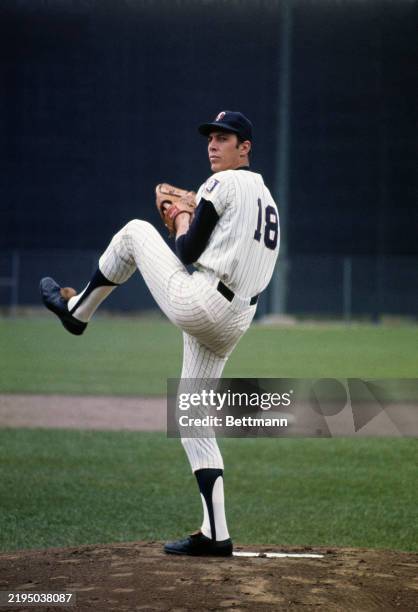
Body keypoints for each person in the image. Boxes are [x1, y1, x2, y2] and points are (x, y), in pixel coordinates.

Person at [40, 111, 280, 556]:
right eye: (210, 137)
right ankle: (216, 533)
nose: (213, 144)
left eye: (224, 138)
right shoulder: (267, 198)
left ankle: (77, 311)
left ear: (244, 147)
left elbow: (186, 251)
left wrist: (182, 217)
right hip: (236, 319)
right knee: (192, 419)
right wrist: (190, 216)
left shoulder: (222, 185)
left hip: (205, 302)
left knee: (133, 232)